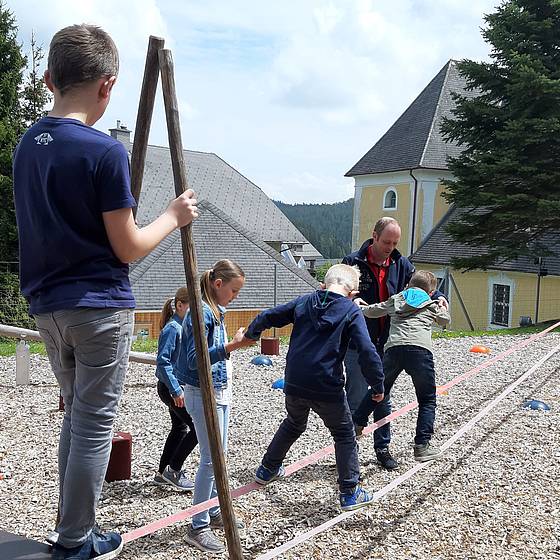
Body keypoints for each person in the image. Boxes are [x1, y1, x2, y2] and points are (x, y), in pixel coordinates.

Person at [12, 24, 198, 560]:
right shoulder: (102, 151)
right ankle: (75, 539)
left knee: (75, 413)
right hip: (97, 306)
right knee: (93, 422)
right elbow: (128, 247)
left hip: (47, 307)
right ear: (108, 86)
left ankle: (71, 529)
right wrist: (173, 215)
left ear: (49, 79)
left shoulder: (28, 145)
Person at [244, 264, 385, 512]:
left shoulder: (305, 301)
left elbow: (268, 316)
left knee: (293, 423)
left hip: (295, 381)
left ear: (323, 286)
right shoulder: (351, 310)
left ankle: (267, 469)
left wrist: (252, 334)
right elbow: (367, 350)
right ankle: (350, 492)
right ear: (351, 293)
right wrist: (377, 384)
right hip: (326, 386)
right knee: (344, 434)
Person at [342, 217, 446, 470]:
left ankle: (382, 448)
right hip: (357, 342)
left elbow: (423, 288)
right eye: (387, 241)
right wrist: (349, 301)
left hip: (387, 342)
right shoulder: (351, 263)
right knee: (355, 396)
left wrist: (441, 298)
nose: (390, 247)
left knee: (382, 396)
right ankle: (348, 452)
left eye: (395, 242)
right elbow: (335, 292)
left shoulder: (403, 264)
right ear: (374, 236)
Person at [176, 259, 255, 555]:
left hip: (217, 391)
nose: (235, 296)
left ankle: (210, 510)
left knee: (217, 457)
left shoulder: (214, 311)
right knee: (211, 460)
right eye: (233, 290)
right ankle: (197, 526)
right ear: (217, 284)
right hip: (203, 394)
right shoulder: (202, 314)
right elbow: (197, 359)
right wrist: (233, 346)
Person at [353, 271, 450, 464]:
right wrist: (441, 305)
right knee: (427, 399)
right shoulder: (431, 304)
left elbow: (373, 311)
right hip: (420, 352)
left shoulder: (396, 299)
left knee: (379, 390)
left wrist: (359, 306)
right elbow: (444, 321)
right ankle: (422, 446)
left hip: (394, 350)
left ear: (407, 286)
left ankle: (356, 424)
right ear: (430, 292)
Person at [154, 287, 197, 491]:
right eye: (192, 306)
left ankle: (163, 472)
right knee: (198, 428)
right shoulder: (173, 328)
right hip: (171, 388)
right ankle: (174, 470)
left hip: (174, 386)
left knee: (179, 427)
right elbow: (162, 362)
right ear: (180, 305)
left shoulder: (183, 325)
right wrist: (176, 390)